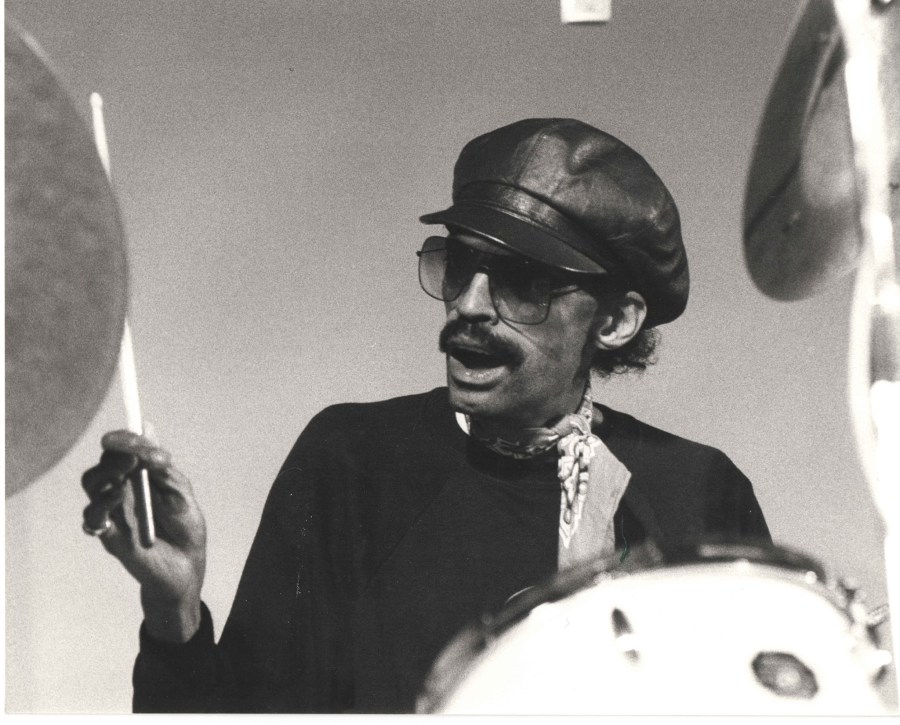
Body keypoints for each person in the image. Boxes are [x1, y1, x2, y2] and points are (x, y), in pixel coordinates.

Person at [80, 118, 770, 714]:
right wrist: (173, 611)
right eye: (460, 264)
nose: (468, 304)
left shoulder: (699, 492)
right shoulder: (352, 460)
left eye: (522, 282)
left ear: (616, 320)